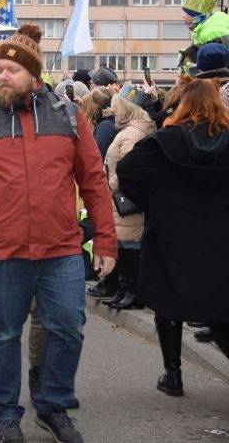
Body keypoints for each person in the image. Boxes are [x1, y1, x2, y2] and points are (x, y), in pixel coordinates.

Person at [0, 23, 117, 443]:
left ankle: (53, 405)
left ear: (33, 76)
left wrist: (106, 240)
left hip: (60, 250)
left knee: (69, 328)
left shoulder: (67, 116)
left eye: (12, 70)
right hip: (0, 252)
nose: (2, 75)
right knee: (2, 333)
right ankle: (5, 412)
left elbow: (93, 179)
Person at [118, 77, 229, 395]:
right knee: (222, 304)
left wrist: (155, 200)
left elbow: (128, 171)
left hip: (171, 233)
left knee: (168, 302)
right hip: (221, 236)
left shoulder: (164, 141)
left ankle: (173, 375)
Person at [103, 86, 156, 311]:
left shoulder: (133, 134)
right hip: (121, 198)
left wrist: (112, 184)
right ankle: (127, 288)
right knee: (125, 245)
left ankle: (133, 291)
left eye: (116, 108)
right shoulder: (131, 131)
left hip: (125, 199)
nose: (113, 112)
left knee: (130, 245)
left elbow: (130, 169)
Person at [181, 0, 229, 65]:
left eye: (186, 14)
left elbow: (211, 63)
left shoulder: (208, 33)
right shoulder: (206, 28)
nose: (183, 16)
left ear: (196, 17)